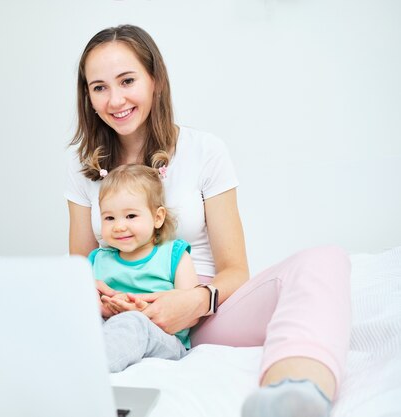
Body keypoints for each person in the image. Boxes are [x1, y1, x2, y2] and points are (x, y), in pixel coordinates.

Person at [65, 24, 351, 417]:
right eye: (99, 87)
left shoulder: (205, 151)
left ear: (156, 80)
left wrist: (193, 302)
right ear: (88, 96)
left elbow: (235, 270)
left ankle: (295, 390)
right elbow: (77, 269)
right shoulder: (84, 168)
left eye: (127, 80)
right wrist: (104, 299)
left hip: (207, 310)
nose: (115, 99)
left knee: (326, 260)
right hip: (123, 313)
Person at [89, 163, 198, 372]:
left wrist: (144, 311)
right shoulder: (97, 260)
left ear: (157, 217)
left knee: (133, 322)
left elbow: (187, 311)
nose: (119, 226)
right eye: (109, 218)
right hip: (106, 332)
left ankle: (91, 370)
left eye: (131, 216)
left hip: (162, 337)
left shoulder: (173, 255)